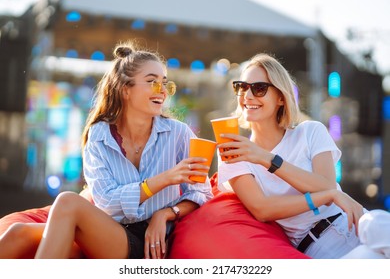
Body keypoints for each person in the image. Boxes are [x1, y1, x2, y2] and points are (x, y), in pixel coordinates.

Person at [0, 40, 213, 259]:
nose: (163, 91)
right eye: (152, 82)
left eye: (165, 84)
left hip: (147, 242)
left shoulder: (179, 133)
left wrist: (165, 214)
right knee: (19, 233)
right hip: (104, 230)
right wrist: (165, 179)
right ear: (125, 90)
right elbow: (107, 202)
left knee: (67, 201)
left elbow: (201, 192)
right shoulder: (99, 134)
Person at [216, 53, 390, 259]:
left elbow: (326, 184)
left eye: (259, 88)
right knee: (368, 259)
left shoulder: (310, 131)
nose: (248, 95)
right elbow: (262, 209)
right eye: (242, 87)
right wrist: (328, 196)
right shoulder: (232, 151)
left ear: (281, 97)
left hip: (354, 223)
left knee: (377, 224)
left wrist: (266, 158)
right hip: (320, 247)